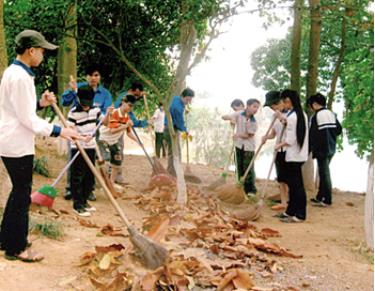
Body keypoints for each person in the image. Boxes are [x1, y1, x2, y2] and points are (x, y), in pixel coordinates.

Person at [0, 29, 82, 262]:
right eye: (42, 51)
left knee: (18, 191)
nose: (43, 55)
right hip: (16, 143)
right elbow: (28, 120)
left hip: (11, 139)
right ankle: (16, 247)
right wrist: (59, 130)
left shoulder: (14, 73)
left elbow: (21, 110)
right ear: (31, 50)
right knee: (22, 193)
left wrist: (40, 103)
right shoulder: (20, 77)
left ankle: (6, 239)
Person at [62, 65, 113, 201]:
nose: (94, 78)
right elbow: (65, 102)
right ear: (87, 77)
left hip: (93, 131)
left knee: (90, 160)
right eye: (91, 75)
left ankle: (88, 190)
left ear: (100, 77)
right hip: (76, 130)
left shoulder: (105, 94)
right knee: (74, 159)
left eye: (96, 75)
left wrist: (103, 115)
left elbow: (104, 116)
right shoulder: (78, 87)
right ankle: (70, 189)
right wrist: (72, 91)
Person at [67, 85, 109, 216]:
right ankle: (77, 205)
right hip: (78, 147)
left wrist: (108, 113)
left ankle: (84, 201)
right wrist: (81, 138)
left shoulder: (95, 110)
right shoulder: (73, 112)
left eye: (88, 103)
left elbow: (105, 122)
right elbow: (70, 132)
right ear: (78, 99)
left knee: (89, 176)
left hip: (91, 147)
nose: (86, 106)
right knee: (77, 176)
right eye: (84, 103)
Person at [275, 89, 308, 223]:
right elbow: (290, 125)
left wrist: (279, 145)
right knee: (294, 185)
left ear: (289, 101)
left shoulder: (294, 116)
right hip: (298, 155)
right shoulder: (300, 114)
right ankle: (290, 211)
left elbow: (290, 140)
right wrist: (283, 119)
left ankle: (299, 214)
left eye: (285, 101)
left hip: (293, 155)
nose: (284, 104)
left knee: (296, 186)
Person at [307, 93, 342, 207]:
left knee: (324, 174)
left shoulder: (316, 116)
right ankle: (320, 196)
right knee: (323, 173)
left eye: (311, 105)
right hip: (331, 147)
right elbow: (339, 130)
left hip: (321, 149)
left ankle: (327, 200)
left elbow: (312, 135)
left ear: (315, 104)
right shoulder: (331, 114)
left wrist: (308, 149)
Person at [222, 99, 260, 197]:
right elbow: (224, 116)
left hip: (249, 147)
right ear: (247, 105)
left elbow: (249, 135)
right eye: (254, 106)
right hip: (238, 145)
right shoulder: (239, 113)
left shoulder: (254, 122)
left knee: (248, 168)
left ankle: (250, 190)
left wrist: (238, 135)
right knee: (239, 167)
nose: (256, 109)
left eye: (257, 107)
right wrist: (231, 119)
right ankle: (240, 187)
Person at [113, 81, 150, 184]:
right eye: (136, 95)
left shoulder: (125, 99)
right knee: (116, 155)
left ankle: (115, 179)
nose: (132, 106)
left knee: (118, 155)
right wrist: (146, 122)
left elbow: (129, 132)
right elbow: (134, 123)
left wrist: (139, 142)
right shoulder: (123, 108)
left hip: (118, 130)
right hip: (111, 132)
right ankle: (112, 179)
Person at [98, 95, 138, 184]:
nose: (130, 108)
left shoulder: (127, 116)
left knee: (117, 162)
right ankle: (103, 182)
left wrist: (138, 141)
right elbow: (112, 130)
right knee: (106, 161)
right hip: (104, 139)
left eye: (132, 106)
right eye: (129, 105)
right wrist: (125, 125)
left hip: (113, 141)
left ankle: (111, 183)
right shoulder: (115, 113)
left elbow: (128, 132)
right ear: (123, 102)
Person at [261, 91, 289, 211]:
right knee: (281, 178)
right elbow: (273, 134)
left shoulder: (290, 115)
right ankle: (283, 202)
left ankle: (290, 201)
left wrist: (282, 118)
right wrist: (266, 137)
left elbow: (292, 131)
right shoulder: (274, 116)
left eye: (273, 106)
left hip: (289, 149)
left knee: (289, 178)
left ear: (281, 102)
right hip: (278, 149)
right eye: (271, 107)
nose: (272, 109)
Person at [164, 88, 195, 177]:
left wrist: (184, 110)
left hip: (169, 127)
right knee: (175, 151)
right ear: (182, 96)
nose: (188, 102)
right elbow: (179, 123)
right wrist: (185, 130)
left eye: (190, 100)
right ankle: (173, 172)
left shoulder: (176, 99)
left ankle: (173, 170)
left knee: (174, 151)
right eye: (187, 100)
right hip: (171, 129)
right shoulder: (178, 108)